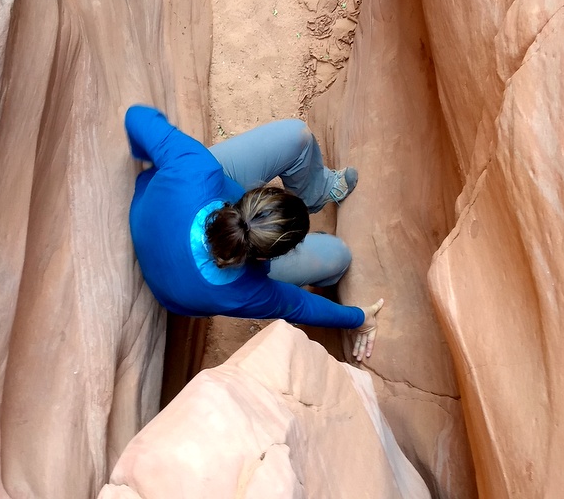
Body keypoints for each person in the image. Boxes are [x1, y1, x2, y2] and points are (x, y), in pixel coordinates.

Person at [125, 105, 384, 361]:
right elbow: (302, 306)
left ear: (251, 196)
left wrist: (157, 164)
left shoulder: (197, 169)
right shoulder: (246, 290)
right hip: (193, 274)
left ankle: (318, 192)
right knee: (338, 256)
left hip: (175, 213)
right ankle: (317, 196)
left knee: (296, 135)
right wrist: (360, 318)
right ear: (265, 258)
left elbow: (136, 116)